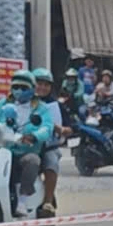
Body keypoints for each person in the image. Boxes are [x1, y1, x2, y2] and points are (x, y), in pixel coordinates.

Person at [0, 69, 50, 204]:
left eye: (23, 87)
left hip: (25, 151)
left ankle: (23, 199)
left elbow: (47, 127)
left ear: (32, 89)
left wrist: (34, 136)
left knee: (32, 160)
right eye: (15, 87)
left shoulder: (41, 108)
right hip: (3, 149)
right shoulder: (4, 103)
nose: (18, 91)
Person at [32, 70, 67, 210]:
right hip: (24, 143)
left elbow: (70, 127)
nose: (42, 87)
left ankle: (48, 201)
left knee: (51, 162)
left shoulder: (55, 106)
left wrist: (63, 130)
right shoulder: (23, 102)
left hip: (47, 146)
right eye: (39, 84)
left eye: (46, 85)